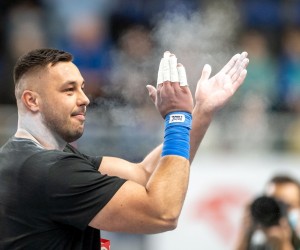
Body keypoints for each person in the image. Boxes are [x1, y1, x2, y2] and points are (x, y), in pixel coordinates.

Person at [0, 48, 248, 250]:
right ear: (31, 100)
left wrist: (201, 113)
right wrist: (177, 117)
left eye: (82, 87)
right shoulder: (49, 172)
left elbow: (144, 176)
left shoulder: (31, 158)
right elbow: (162, 212)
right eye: (69, 89)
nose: (84, 98)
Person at [235, 174, 300, 250]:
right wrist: (245, 235)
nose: (278, 211)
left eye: (287, 205)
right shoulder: (257, 245)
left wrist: (283, 244)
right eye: (274, 203)